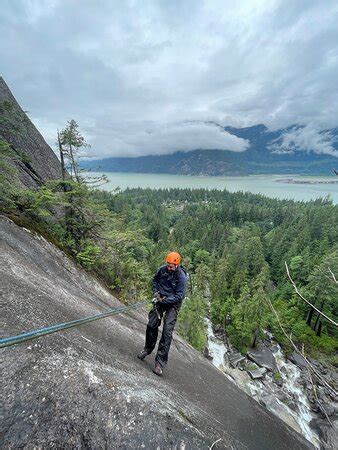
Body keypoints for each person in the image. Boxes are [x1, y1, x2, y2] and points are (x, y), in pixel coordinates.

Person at [137, 251, 187, 376]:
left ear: (177, 265)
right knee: (152, 324)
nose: (169, 267)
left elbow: (179, 296)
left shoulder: (181, 277)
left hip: (173, 304)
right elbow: (155, 280)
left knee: (167, 332)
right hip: (161, 298)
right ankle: (148, 349)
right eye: (168, 265)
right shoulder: (162, 270)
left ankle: (160, 363)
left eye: (171, 266)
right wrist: (156, 293)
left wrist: (165, 300)